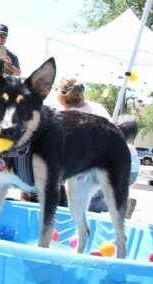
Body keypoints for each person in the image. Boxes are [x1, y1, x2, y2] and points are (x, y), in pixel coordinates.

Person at [56, 78, 138, 216]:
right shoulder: (98, 108)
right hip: (126, 164)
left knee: (85, 202)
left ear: (62, 97)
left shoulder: (66, 116)